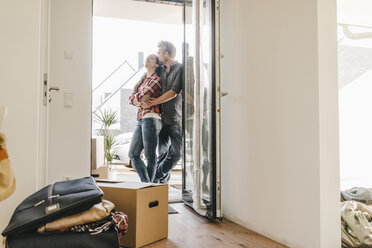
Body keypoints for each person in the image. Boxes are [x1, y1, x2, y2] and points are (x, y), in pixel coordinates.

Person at [141, 41, 183, 184]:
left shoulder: (180, 68)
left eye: (159, 52)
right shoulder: (159, 70)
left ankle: (155, 178)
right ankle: (161, 189)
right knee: (162, 154)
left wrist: (155, 101)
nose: (158, 56)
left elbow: (173, 92)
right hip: (158, 118)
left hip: (174, 118)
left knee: (177, 153)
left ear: (166, 53)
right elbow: (145, 77)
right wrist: (136, 95)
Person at [128, 54, 162, 182]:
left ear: (156, 65)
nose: (147, 59)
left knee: (150, 156)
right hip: (141, 117)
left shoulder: (156, 79)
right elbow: (132, 98)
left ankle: (146, 187)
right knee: (133, 154)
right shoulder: (143, 81)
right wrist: (137, 100)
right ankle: (147, 185)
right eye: (147, 57)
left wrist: (136, 99)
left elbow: (144, 96)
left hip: (152, 117)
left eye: (151, 58)